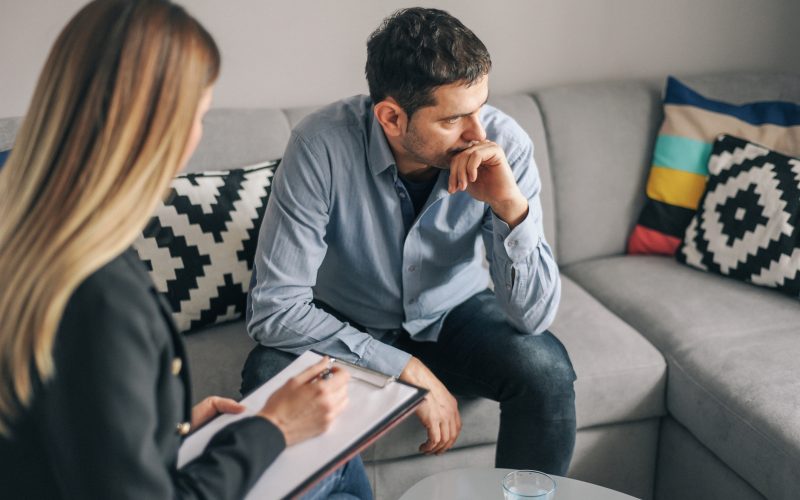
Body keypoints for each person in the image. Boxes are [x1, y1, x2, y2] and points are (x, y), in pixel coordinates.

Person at [0, 1, 372, 499]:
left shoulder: (30, 239)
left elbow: (75, 438)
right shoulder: (100, 292)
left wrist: (166, 434)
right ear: (155, 125)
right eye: (199, 115)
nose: (197, 136)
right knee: (337, 465)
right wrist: (274, 429)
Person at [242, 7, 577, 474]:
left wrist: (510, 208)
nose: (477, 134)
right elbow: (275, 309)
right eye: (454, 119)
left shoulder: (504, 145)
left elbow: (533, 315)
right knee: (267, 375)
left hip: (452, 312)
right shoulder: (321, 147)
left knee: (546, 370)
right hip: (348, 317)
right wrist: (404, 368)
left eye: (480, 109)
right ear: (392, 117)